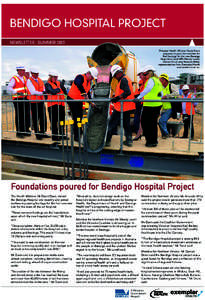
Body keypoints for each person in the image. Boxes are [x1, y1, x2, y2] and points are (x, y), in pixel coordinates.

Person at [105, 65, 135, 147]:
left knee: (112, 123)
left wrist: (117, 98)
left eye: (115, 76)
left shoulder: (123, 80)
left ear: (118, 73)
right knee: (126, 123)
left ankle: (107, 141)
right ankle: (129, 141)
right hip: (127, 106)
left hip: (121, 107)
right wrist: (116, 96)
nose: (115, 77)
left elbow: (127, 92)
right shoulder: (126, 78)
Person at [67, 67, 98, 142]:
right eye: (92, 77)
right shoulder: (80, 77)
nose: (92, 79)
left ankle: (79, 131)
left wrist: (91, 102)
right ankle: (76, 136)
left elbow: (87, 93)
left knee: (80, 116)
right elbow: (78, 84)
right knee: (76, 116)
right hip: (72, 99)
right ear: (88, 74)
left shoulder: (89, 82)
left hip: (78, 101)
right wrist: (83, 93)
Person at [137, 65, 163, 147]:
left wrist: (139, 97)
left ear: (150, 73)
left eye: (145, 74)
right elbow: (161, 93)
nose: (144, 76)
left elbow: (147, 89)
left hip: (150, 105)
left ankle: (150, 141)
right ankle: (154, 140)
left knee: (145, 123)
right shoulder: (157, 80)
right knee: (153, 123)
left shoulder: (151, 80)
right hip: (157, 104)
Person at [7, 65, 31, 138]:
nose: (24, 71)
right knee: (20, 115)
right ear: (19, 71)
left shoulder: (24, 78)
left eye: (24, 70)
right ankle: (19, 132)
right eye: (23, 70)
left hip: (25, 98)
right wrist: (16, 92)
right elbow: (9, 88)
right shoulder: (14, 78)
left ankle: (26, 130)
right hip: (18, 99)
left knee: (26, 114)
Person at [27, 67, 49, 140]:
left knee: (43, 117)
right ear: (31, 73)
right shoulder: (29, 81)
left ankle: (42, 132)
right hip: (34, 102)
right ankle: (37, 133)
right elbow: (32, 91)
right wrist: (42, 93)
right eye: (35, 74)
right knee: (35, 118)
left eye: (37, 74)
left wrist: (43, 92)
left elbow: (43, 88)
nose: (36, 75)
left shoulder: (40, 80)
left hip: (40, 101)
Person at [45, 71, 65, 141]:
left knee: (62, 120)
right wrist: (59, 88)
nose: (56, 78)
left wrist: (62, 87)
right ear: (50, 77)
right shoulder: (47, 84)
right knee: (54, 121)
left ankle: (62, 135)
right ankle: (55, 136)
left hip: (61, 104)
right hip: (52, 105)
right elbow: (52, 92)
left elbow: (64, 91)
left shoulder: (59, 83)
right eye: (54, 77)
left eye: (56, 77)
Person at [158, 73, 180, 138]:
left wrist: (167, 96)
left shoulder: (171, 85)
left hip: (170, 108)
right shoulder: (161, 88)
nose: (159, 81)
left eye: (160, 79)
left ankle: (166, 134)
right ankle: (164, 135)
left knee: (161, 121)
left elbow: (176, 93)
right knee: (162, 122)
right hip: (164, 108)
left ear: (164, 80)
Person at [133, 70, 147, 141]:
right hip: (138, 108)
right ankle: (138, 134)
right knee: (136, 121)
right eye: (139, 85)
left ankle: (142, 134)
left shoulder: (145, 87)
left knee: (143, 121)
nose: (140, 86)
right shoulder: (137, 90)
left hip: (143, 106)